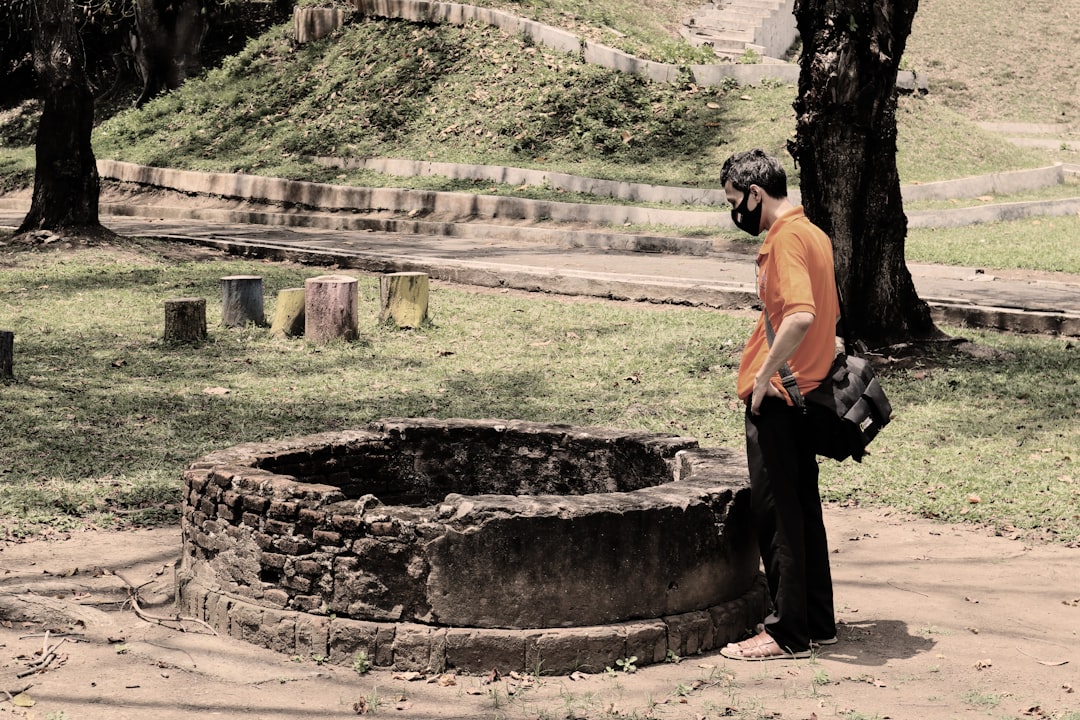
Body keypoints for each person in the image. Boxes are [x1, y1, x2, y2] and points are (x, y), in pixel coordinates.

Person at [718, 149, 840, 661]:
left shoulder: (785, 239)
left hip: (781, 396)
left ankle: (787, 633)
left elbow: (801, 315)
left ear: (756, 194)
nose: (734, 212)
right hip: (806, 391)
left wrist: (765, 377)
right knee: (803, 508)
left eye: (734, 201)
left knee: (776, 515)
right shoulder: (814, 233)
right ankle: (816, 620)